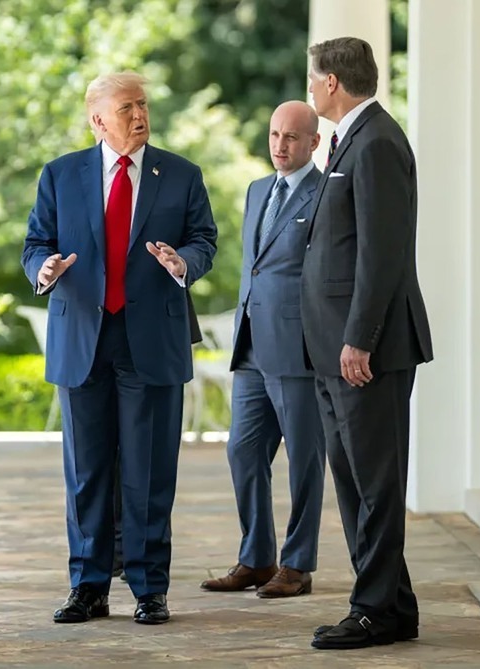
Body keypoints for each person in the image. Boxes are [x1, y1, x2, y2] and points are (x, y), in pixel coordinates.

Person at [22, 71, 217, 626]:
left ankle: (150, 588)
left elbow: (204, 240)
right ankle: (87, 587)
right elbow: (35, 243)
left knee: (148, 472)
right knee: (86, 473)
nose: (139, 115)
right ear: (98, 120)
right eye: (127, 107)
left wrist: (183, 262)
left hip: (151, 339)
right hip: (82, 339)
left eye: (143, 105)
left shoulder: (181, 174)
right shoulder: (61, 174)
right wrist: (44, 269)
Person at [299, 38, 434, 649]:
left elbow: (381, 254)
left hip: (365, 350)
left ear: (331, 82)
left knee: (375, 484)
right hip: (335, 348)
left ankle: (373, 610)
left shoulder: (376, 142)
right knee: (355, 482)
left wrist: (359, 339)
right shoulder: (351, 138)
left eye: (312, 77)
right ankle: (393, 605)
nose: (310, 86)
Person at [199, 101, 326, 599]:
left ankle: (297, 564)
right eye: (274, 134)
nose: (280, 145)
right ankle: (256, 558)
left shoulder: (325, 194)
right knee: (243, 450)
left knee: (304, 459)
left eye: (291, 137)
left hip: (297, 348)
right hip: (250, 345)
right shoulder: (257, 190)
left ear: (314, 142)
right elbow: (254, 267)